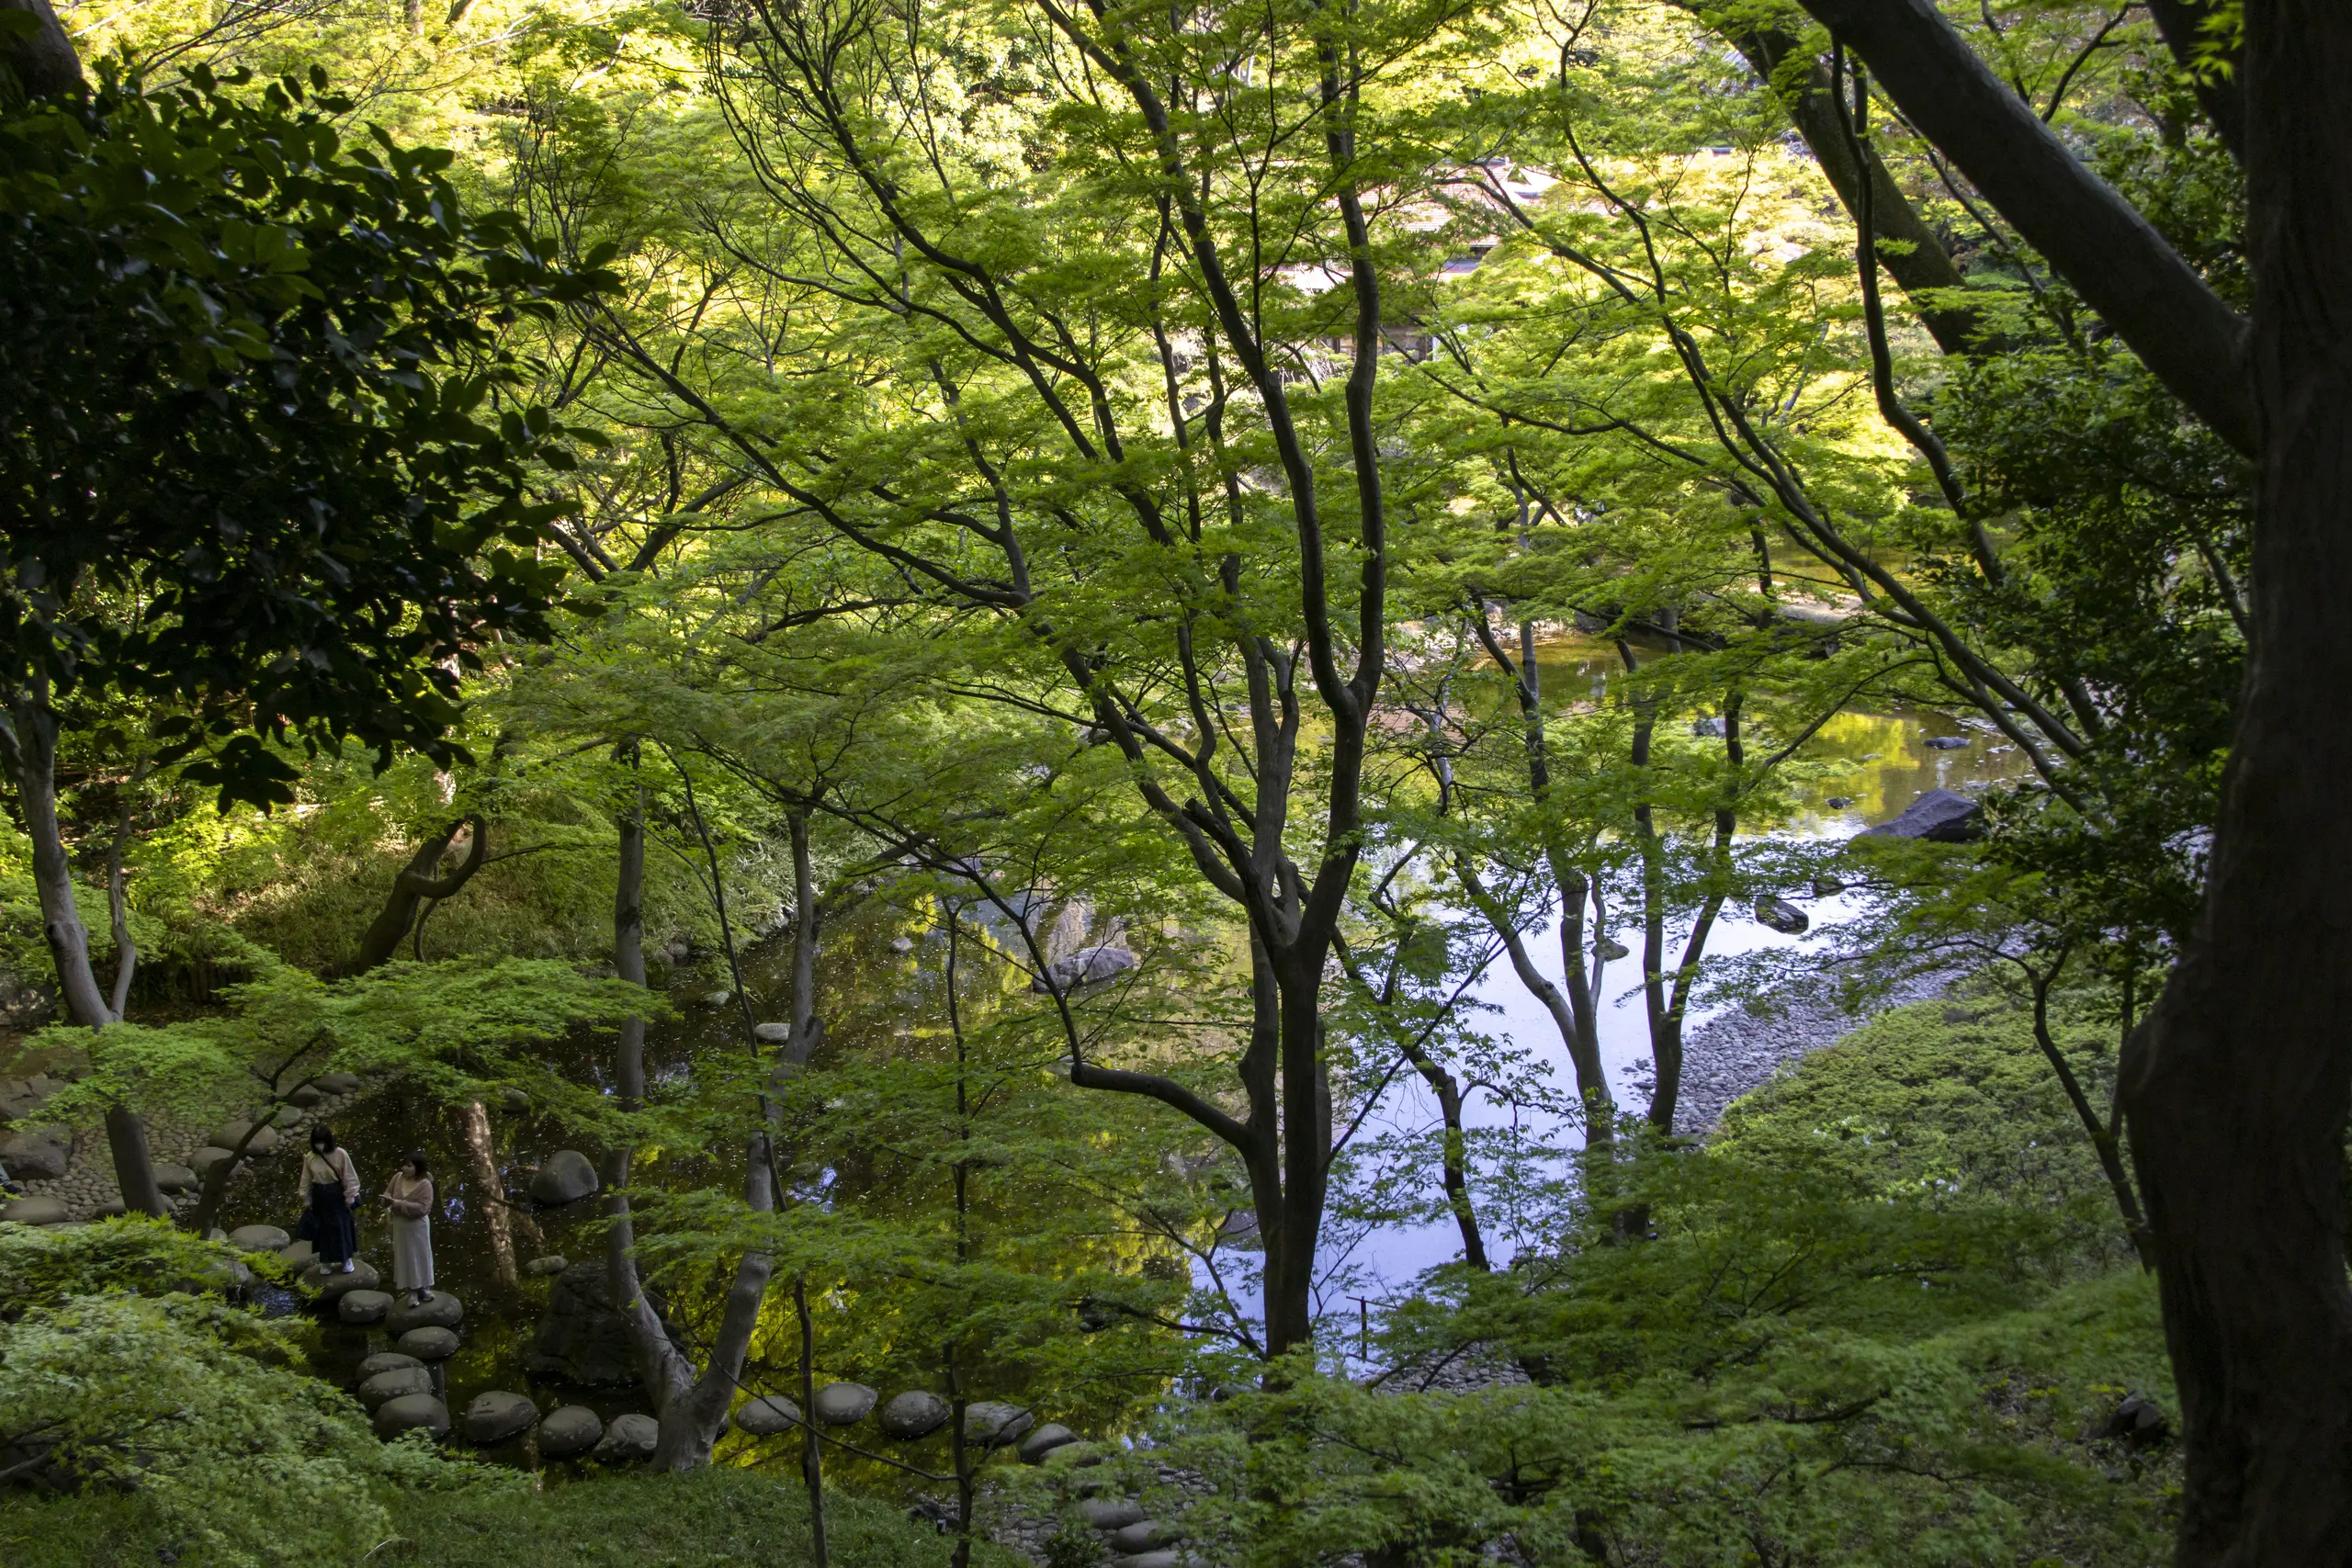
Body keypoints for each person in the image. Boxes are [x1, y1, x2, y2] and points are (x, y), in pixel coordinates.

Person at [297, 1124, 360, 1273]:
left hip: (337, 1194)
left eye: (322, 1142)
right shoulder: (310, 1157)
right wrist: (306, 1198)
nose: (320, 1145)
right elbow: (306, 1179)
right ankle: (326, 1261)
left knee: (341, 1226)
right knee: (323, 1228)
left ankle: (346, 1259)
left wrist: (350, 1196)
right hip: (320, 1194)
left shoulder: (340, 1154)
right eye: (317, 1142)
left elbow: (349, 1176)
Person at [381, 1150, 435, 1306]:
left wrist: (399, 1204)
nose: (404, 1168)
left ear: (418, 1167)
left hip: (418, 1227)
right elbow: (388, 1192)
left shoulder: (425, 1184)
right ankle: (412, 1291)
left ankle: (424, 1287)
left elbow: (423, 1208)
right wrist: (386, 1200)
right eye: (404, 1165)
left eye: (409, 1166)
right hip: (401, 1225)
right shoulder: (397, 1177)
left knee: (421, 1256)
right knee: (406, 1257)